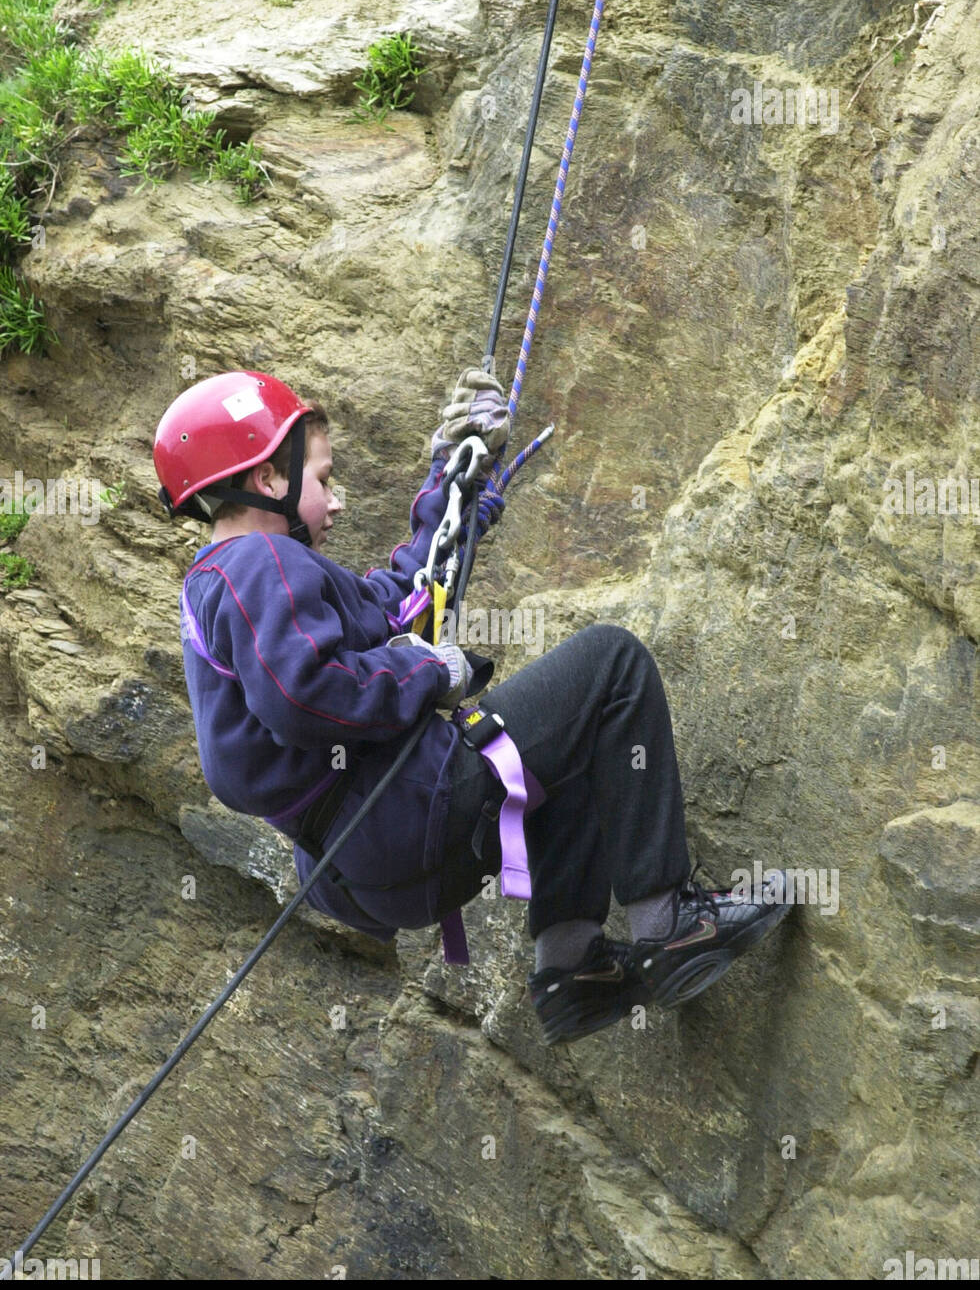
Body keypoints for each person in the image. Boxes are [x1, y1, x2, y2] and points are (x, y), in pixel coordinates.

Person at [154, 366, 790, 1047]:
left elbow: (402, 598)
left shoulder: (225, 586)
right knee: (612, 665)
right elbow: (303, 692)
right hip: (403, 813)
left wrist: (454, 477)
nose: (335, 502)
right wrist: (426, 670)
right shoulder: (257, 562)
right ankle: (669, 926)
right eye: (323, 478)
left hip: (373, 868)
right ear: (269, 481)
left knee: (571, 740)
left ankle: (572, 974)